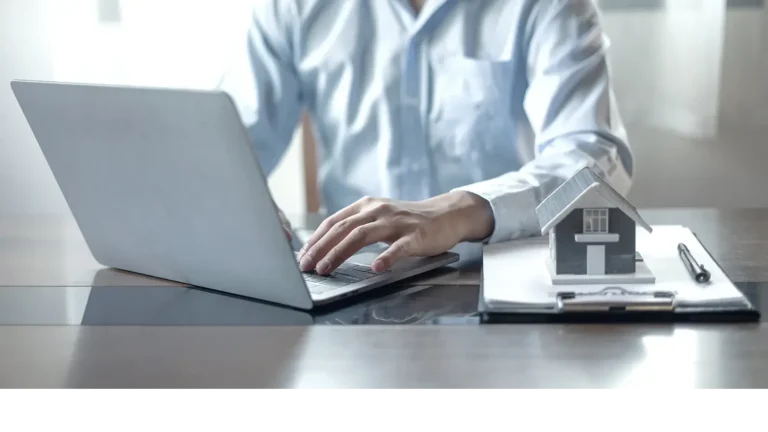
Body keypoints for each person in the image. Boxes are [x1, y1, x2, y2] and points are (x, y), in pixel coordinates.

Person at [217, 0, 634, 276]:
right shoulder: (293, 7)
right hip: (346, 282)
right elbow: (228, 141)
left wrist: (462, 209)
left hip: (502, 277)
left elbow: (594, 159)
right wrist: (235, 200)